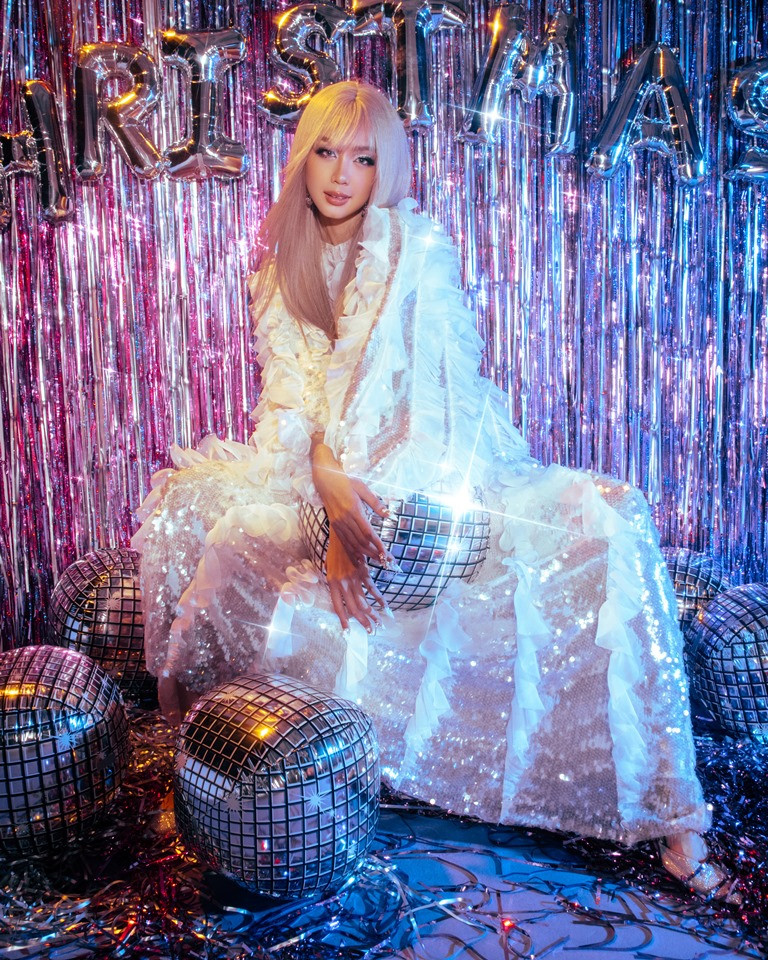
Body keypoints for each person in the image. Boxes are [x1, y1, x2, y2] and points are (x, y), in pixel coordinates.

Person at [132, 81, 734, 900]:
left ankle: (671, 810)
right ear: (302, 159)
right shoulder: (280, 270)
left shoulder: (414, 248)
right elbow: (294, 411)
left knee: (613, 514)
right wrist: (330, 497)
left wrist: (354, 508)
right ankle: (209, 763)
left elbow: (430, 412)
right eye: (326, 152)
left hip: (433, 476)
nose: (341, 174)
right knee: (214, 521)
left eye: (364, 158)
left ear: (389, 167)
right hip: (319, 475)